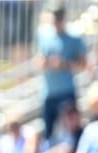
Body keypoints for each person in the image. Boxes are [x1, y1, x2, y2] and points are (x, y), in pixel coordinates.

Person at [36, 4, 87, 140]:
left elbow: (83, 64)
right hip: (49, 92)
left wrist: (63, 64)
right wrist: (48, 63)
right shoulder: (44, 35)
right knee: (49, 131)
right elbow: (39, 62)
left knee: (73, 130)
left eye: (59, 19)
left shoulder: (74, 37)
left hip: (67, 91)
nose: (57, 23)